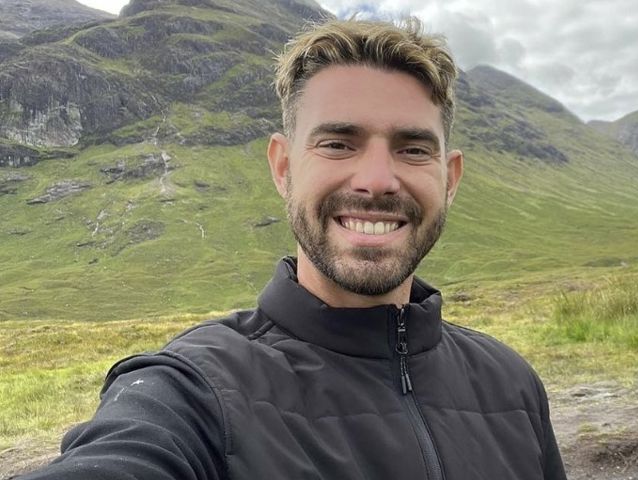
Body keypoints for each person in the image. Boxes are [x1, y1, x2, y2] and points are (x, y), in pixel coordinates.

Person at [19, 18, 567, 480]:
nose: (377, 180)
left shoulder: (511, 382)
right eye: (337, 143)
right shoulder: (193, 391)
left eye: (413, 148)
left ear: (450, 177)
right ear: (283, 167)